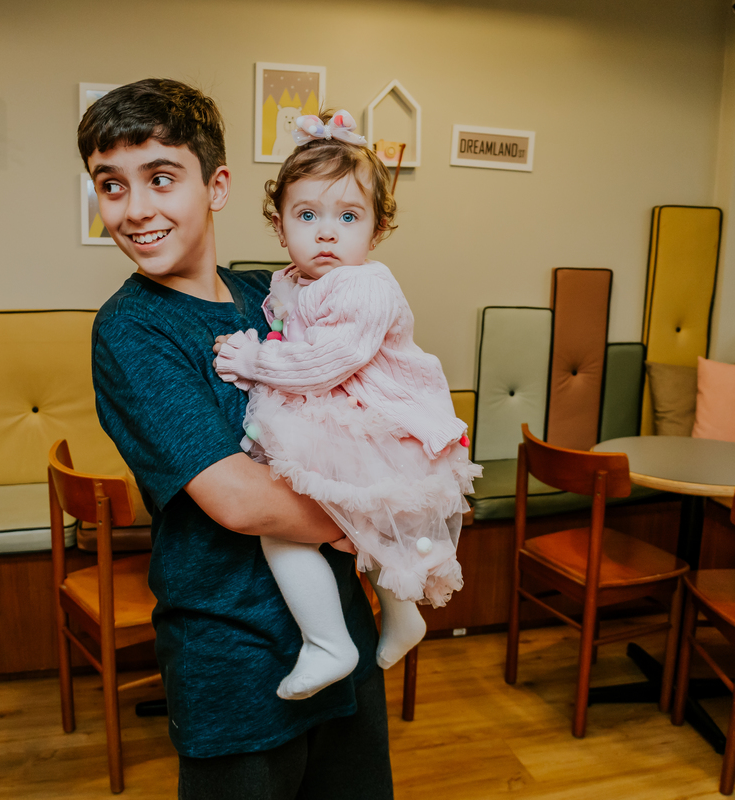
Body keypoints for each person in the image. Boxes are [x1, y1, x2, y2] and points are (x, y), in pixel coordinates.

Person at [79, 79, 393, 800]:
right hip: (235, 658)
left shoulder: (273, 292)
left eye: (161, 178)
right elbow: (240, 500)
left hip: (344, 630)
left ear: (216, 185)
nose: (137, 209)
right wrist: (387, 514)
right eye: (111, 186)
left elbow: (366, 390)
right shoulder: (132, 331)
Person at [213, 110, 481, 701]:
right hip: (334, 415)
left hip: (376, 423)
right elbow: (291, 337)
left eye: (348, 217)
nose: (326, 233)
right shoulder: (287, 283)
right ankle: (399, 618)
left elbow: (326, 362)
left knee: (296, 527)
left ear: (377, 230)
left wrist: (251, 361)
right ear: (281, 227)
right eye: (307, 216)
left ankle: (330, 641)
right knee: (343, 524)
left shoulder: (365, 286)